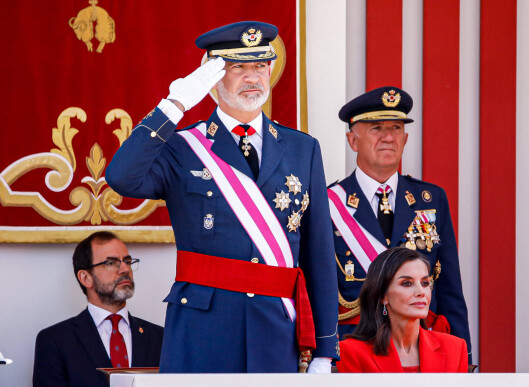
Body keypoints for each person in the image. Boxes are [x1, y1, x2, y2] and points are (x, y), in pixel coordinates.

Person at [105, 21, 339, 373]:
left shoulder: (301, 148)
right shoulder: (183, 147)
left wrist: (324, 350)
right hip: (203, 326)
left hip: (275, 327)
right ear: (212, 76)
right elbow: (121, 177)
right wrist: (174, 105)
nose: (252, 77)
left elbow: (318, 250)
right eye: (238, 67)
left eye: (260, 65)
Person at [328, 86, 471, 359]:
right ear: (353, 140)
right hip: (355, 347)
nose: (388, 137)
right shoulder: (328, 203)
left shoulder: (431, 199)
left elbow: (451, 288)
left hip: (421, 345)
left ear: (405, 139)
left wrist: (464, 360)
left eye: (395, 128)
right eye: (376, 128)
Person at [33, 231, 164, 387]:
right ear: (85, 278)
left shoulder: (161, 338)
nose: (124, 269)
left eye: (127, 261)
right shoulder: (55, 340)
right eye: (110, 263)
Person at [336, 247, 468, 372]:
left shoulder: (455, 348)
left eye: (425, 283)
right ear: (383, 295)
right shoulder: (351, 351)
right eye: (407, 283)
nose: (420, 292)